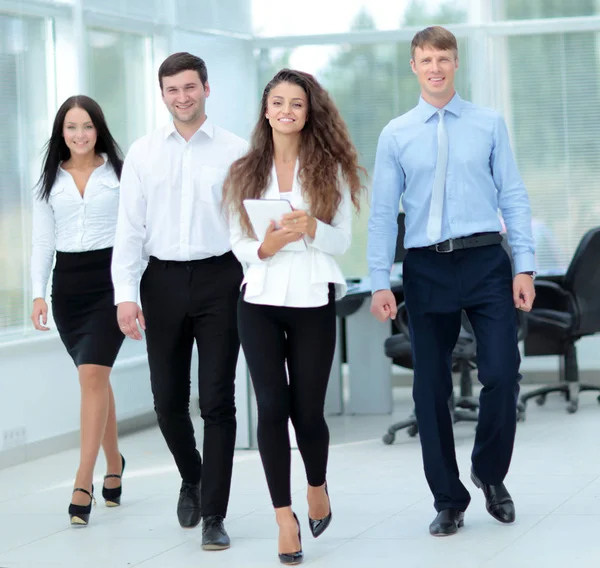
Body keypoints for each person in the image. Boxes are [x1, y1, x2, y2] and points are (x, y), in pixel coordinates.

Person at [368, 26, 536, 537]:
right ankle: (448, 498)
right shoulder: (396, 133)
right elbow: (381, 214)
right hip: (426, 267)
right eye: (425, 59)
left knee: (503, 374)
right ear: (414, 67)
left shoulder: (488, 124)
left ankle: (488, 474)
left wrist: (524, 264)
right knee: (429, 387)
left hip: (486, 259)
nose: (435, 67)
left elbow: (513, 196)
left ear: (455, 63)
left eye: (443, 58)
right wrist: (380, 279)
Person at [223, 69, 364, 564]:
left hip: (311, 298)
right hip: (258, 300)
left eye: (297, 104)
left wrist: (312, 229)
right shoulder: (244, 169)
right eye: (278, 102)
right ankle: (284, 517)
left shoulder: (330, 169)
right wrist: (263, 247)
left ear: (309, 113)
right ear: (266, 110)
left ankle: (317, 485)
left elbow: (343, 241)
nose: (287, 110)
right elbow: (235, 240)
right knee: (271, 409)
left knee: (308, 411)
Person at [111, 52, 247, 550]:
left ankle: (214, 513)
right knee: (167, 402)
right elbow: (128, 230)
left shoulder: (237, 150)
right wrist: (125, 295)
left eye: (190, 87)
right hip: (161, 281)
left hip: (221, 278)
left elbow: (247, 225)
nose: (182, 97)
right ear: (162, 94)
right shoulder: (144, 154)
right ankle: (193, 474)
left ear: (206, 89)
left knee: (217, 401)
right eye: (172, 90)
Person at [31, 95, 126, 526]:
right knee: (96, 379)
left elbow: (136, 234)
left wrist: (133, 291)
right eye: (71, 127)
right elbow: (42, 242)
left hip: (110, 283)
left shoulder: (120, 174)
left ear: (98, 128)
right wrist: (37, 292)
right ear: (61, 133)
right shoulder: (49, 179)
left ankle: (82, 481)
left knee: (92, 375)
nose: (80, 134)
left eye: (86, 126)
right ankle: (114, 464)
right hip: (68, 288)